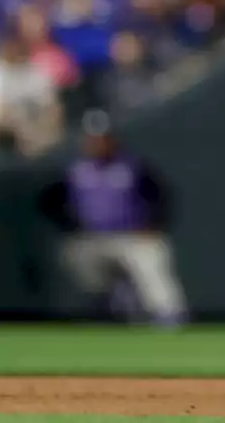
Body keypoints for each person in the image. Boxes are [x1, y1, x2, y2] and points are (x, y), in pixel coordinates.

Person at [37, 110, 188, 326]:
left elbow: (161, 196)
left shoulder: (132, 166)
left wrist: (154, 225)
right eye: (93, 139)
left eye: (102, 138)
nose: (97, 143)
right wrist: (71, 225)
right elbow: (48, 202)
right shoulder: (76, 171)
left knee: (151, 257)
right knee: (73, 254)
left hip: (132, 237)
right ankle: (116, 296)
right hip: (94, 239)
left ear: (112, 140)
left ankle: (170, 315)